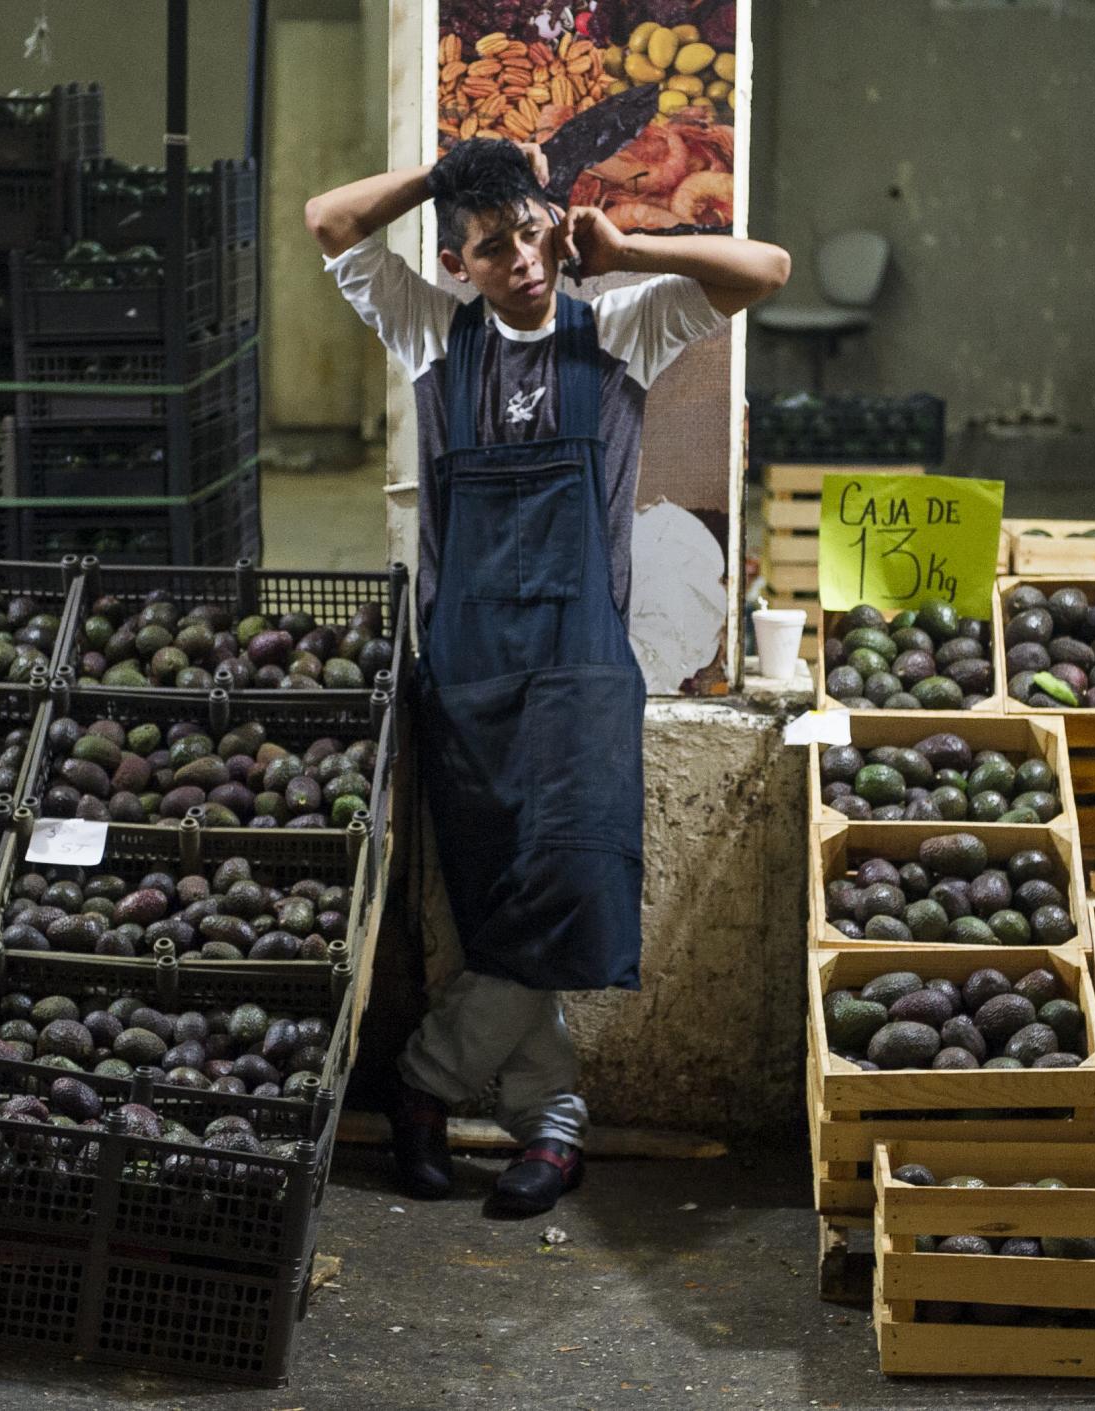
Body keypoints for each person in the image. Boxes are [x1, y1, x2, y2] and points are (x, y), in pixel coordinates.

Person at [304, 138, 789, 1217]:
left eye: (529, 232)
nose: (520, 260)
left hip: (579, 670)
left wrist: (627, 244)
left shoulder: (621, 323)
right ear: (456, 261)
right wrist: (444, 173)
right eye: (490, 247)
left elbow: (768, 271)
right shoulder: (430, 335)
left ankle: (422, 1083)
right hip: (467, 671)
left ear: (552, 229)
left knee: (568, 891)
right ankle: (549, 1123)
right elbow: (329, 221)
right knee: (492, 909)